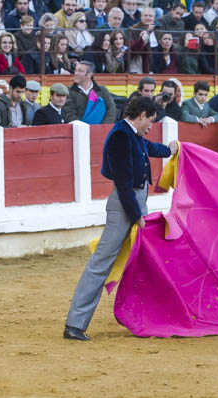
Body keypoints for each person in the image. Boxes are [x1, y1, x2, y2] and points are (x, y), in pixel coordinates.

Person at [64, 96, 179, 341]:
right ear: (142, 116)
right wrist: (137, 216)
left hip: (136, 203)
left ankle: (147, 317)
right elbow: (124, 183)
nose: (151, 126)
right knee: (101, 263)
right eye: (151, 121)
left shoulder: (131, 134)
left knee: (144, 261)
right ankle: (74, 324)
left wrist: (171, 149)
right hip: (125, 207)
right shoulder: (120, 136)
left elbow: (150, 148)